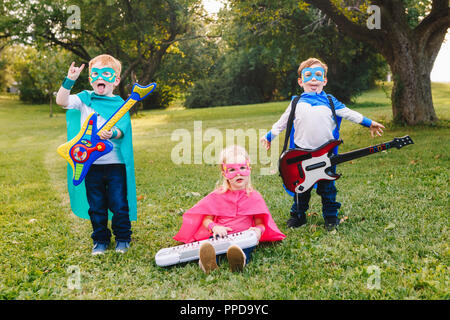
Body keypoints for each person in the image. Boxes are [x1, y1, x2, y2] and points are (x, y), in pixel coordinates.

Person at [260, 57, 385, 230]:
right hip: (300, 154)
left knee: (328, 188)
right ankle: (298, 216)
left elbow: (350, 113)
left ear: (324, 81)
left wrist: (369, 122)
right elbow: (282, 122)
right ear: (300, 81)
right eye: (308, 75)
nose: (313, 79)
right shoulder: (296, 103)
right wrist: (269, 136)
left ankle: (331, 217)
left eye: (318, 75)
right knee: (301, 189)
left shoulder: (331, 102)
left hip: (327, 155)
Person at [56, 54, 137, 255]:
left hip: (115, 164)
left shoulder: (121, 103)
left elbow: (123, 130)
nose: (100, 78)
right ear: (91, 79)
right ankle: (100, 239)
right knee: (96, 205)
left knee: (119, 202)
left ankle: (123, 238)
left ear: (116, 80)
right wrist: (70, 80)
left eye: (106, 74)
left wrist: (113, 133)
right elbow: (61, 101)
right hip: (89, 165)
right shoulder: (85, 98)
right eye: (95, 74)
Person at [173, 145, 285, 273]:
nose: (238, 173)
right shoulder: (218, 195)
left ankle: (239, 261)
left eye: (242, 168)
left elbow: (261, 222)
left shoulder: (254, 196)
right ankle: (208, 262)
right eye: (232, 169)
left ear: (249, 169)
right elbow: (206, 220)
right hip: (221, 235)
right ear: (224, 174)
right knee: (212, 245)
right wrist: (214, 227)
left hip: (243, 237)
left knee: (245, 248)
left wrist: (258, 230)